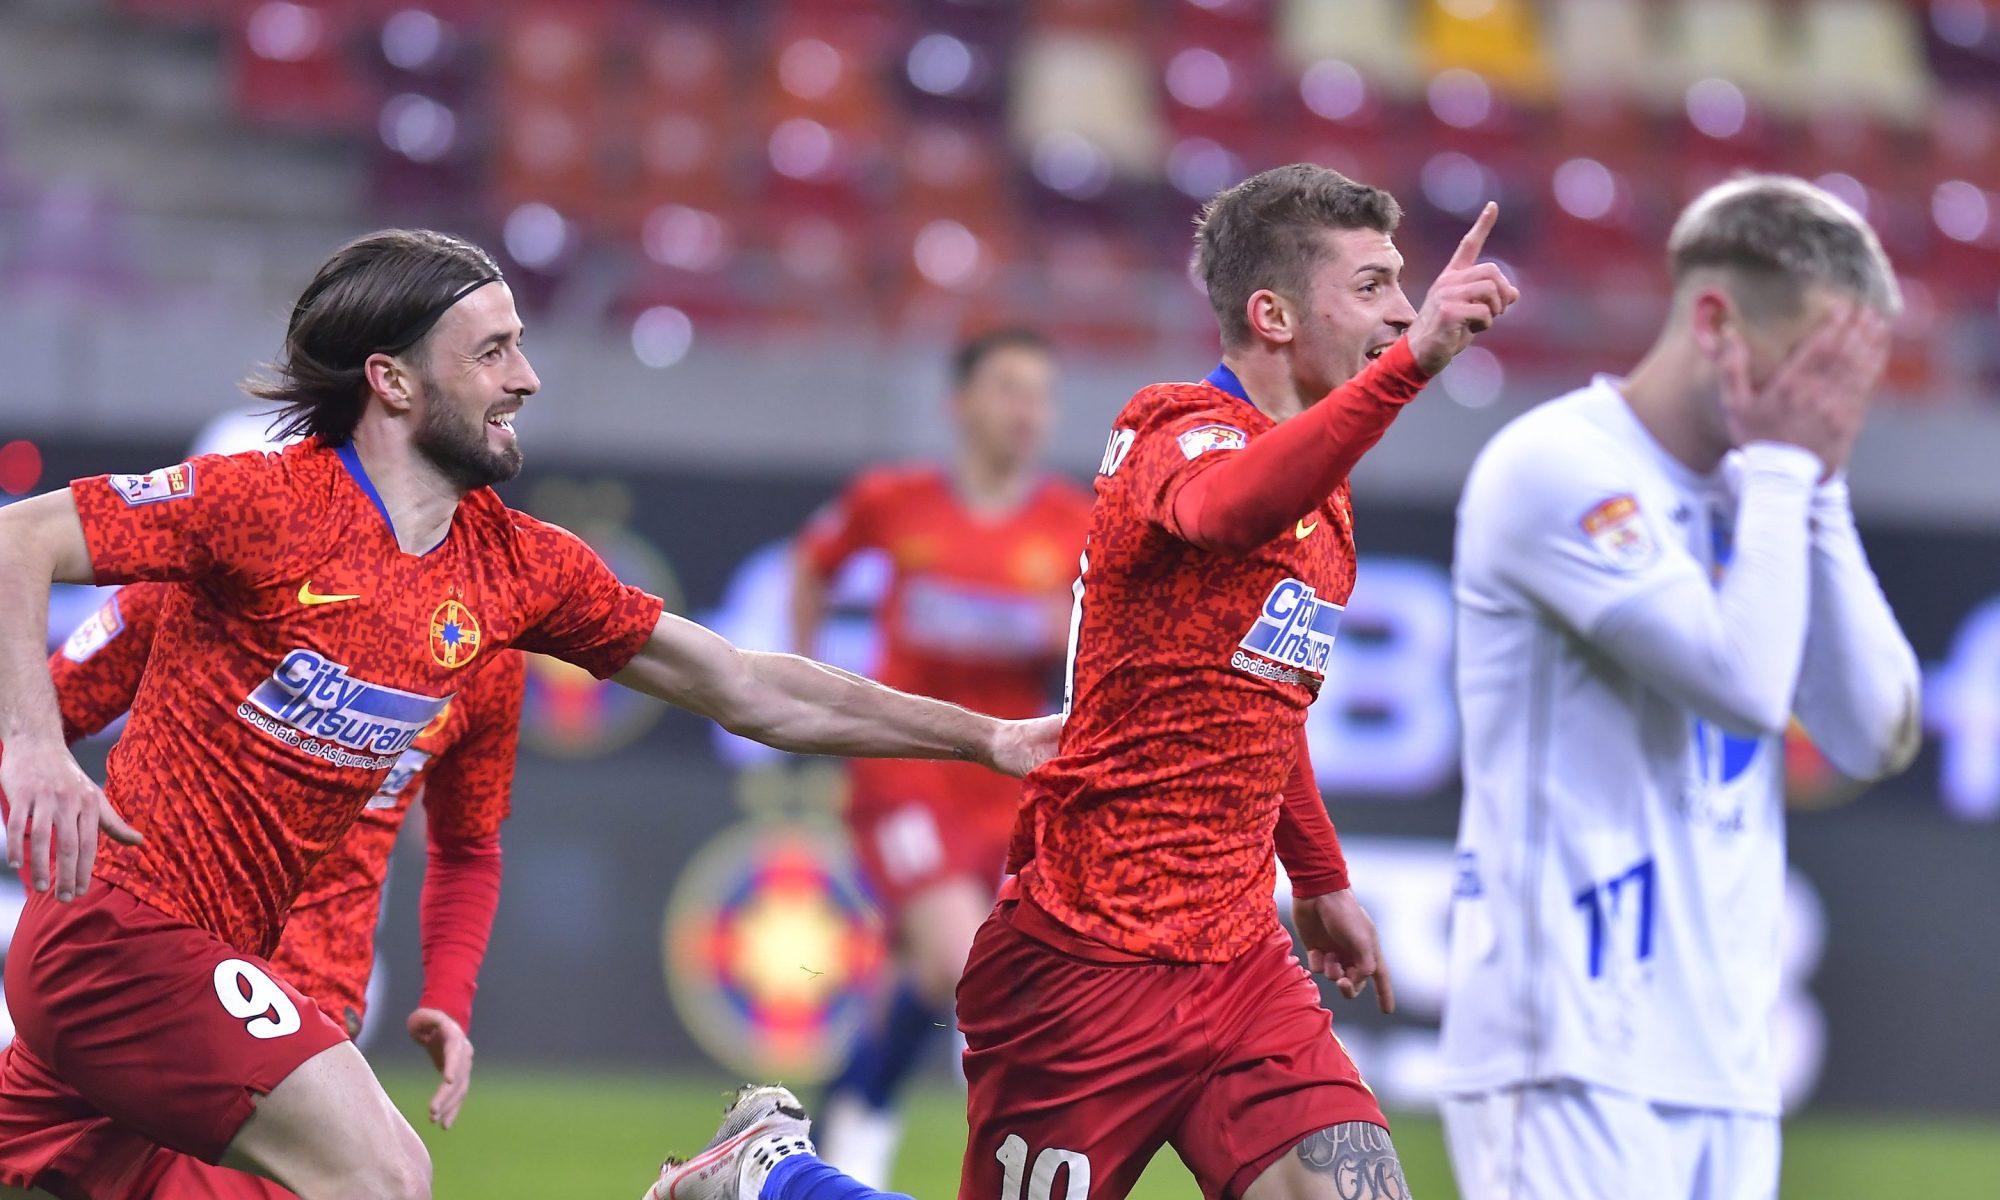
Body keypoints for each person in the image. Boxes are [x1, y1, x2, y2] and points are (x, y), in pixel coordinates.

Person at [0, 228, 1058, 1200]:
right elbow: (20, 539)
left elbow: (742, 682)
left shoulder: (515, 570)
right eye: (493, 352)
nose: (528, 378)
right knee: (382, 1175)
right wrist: (36, 746)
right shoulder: (261, 502)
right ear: (393, 381)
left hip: (200, 978)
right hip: (123, 938)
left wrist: (984, 737)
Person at [650, 162, 1517, 1200]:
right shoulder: (1174, 432)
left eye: (1402, 287)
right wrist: (1413, 366)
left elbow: (1257, 707)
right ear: (1272, 313)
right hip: (1089, 959)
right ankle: (768, 1180)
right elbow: (1225, 509)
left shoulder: (1320, 500)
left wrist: (1319, 880)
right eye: (1372, 285)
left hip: (1239, 961)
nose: (1403, 310)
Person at [1437, 175, 1922, 1200]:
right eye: (1815, 370)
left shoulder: (1772, 483)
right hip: (1565, 1053)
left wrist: (1814, 489)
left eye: (1852, 384)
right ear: (1714, 323)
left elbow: (1872, 731)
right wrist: (1791, 474)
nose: (1835, 411)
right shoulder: (1556, 465)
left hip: (1725, 1068)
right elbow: (1743, 687)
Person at [38, 577, 524, 1200]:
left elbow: (467, 845)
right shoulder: (228, 558)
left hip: (302, 994)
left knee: (391, 1179)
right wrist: (64, 882)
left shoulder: (480, 643)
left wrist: (449, 996)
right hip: (143, 958)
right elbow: (34, 724)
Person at [792, 328, 1092, 1187]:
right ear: (959, 403)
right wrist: (816, 688)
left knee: (925, 973)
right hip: (903, 767)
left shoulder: (1075, 525)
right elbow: (813, 568)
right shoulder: (893, 500)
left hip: (1008, 780)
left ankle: (841, 1121)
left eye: (1040, 394)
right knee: (959, 961)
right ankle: (934, 1154)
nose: (1026, 411)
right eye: (1007, 389)